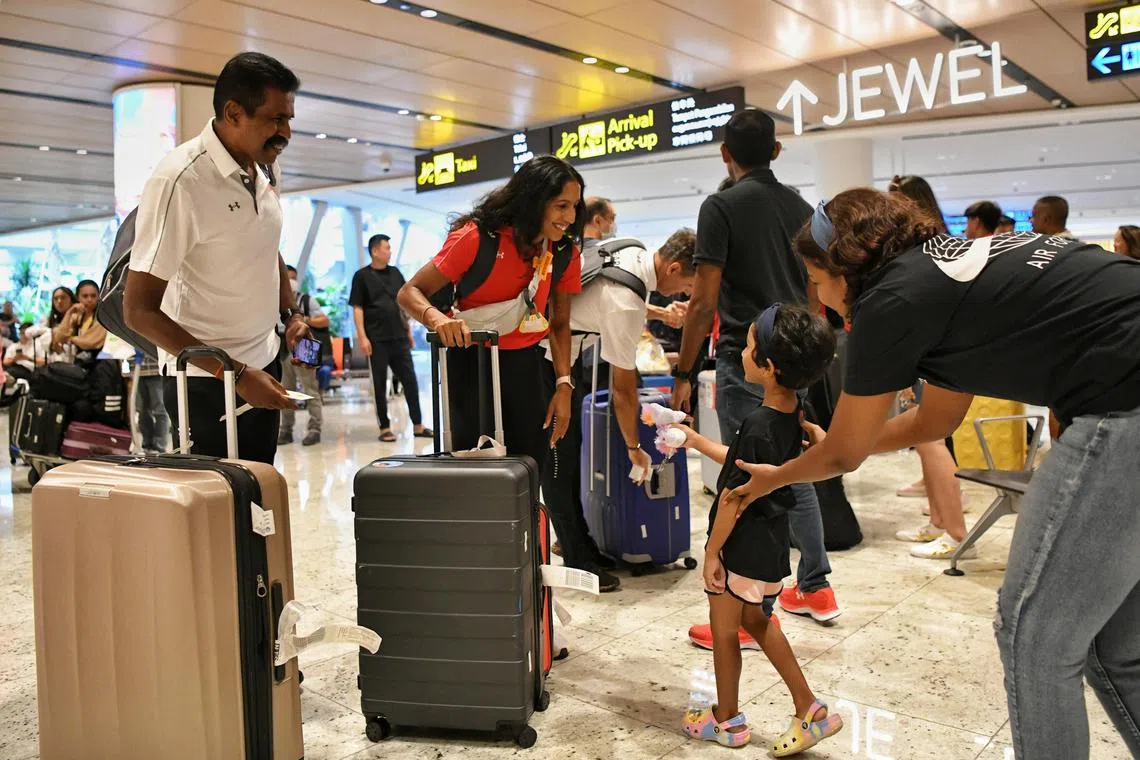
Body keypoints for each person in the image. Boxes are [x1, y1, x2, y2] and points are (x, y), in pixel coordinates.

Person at [731, 187, 1140, 760]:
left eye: (817, 279)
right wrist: (844, 444)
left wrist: (776, 476)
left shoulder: (890, 299)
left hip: (1122, 404)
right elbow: (935, 419)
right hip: (1122, 397)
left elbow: (846, 452)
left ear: (845, 265)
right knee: (1114, 649)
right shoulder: (945, 271)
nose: (818, 299)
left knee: (1035, 636)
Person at [671, 108, 840, 633]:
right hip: (792, 355)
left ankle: (748, 612)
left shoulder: (720, 206)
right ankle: (814, 585)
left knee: (746, 478)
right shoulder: (801, 208)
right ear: (776, 150)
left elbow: (703, 301)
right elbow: (816, 294)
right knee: (791, 469)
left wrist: (683, 369)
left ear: (725, 154)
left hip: (745, 355)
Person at [123, 52, 307, 465]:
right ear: (233, 112)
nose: (286, 133)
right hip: (205, 383)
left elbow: (266, 245)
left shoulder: (262, 170)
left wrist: (290, 313)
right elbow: (138, 310)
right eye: (275, 119)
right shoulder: (180, 180)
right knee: (214, 512)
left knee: (258, 497)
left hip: (263, 367)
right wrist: (235, 375)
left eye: (289, 119)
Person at [678, 304, 842, 755]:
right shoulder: (791, 414)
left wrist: (712, 553)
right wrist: (696, 441)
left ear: (768, 368)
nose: (742, 353)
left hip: (741, 548)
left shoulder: (756, 423)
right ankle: (810, 708)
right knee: (757, 620)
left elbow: (734, 495)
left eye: (749, 347)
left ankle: (727, 721)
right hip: (770, 548)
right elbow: (742, 461)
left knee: (725, 630)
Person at [397, 155, 583, 470]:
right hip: (471, 363)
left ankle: (527, 522)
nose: (570, 216)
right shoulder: (477, 237)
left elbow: (560, 323)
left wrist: (564, 384)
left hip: (529, 367)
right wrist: (438, 319)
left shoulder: (565, 253)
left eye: (574, 206)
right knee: (473, 471)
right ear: (535, 200)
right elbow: (409, 292)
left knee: (528, 471)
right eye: (561, 205)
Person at [543, 228, 698, 593]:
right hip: (543, 358)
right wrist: (634, 447)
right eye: (688, 285)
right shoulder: (627, 301)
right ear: (674, 268)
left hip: (558, 353)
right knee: (558, 459)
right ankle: (576, 555)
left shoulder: (632, 249)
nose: (686, 293)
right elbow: (623, 390)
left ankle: (581, 546)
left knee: (565, 456)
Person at [887, 176, 968, 560]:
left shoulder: (923, 248)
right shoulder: (938, 245)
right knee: (927, 438)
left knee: (931, 438)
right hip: (936, 350)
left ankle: (954, 531)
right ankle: (940, 522)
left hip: (936, 352)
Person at [349, 234, 431, 442]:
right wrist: (363, 337)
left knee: (410, 380)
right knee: (379, 384)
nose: (390, 251)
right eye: (386, 247)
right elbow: (357, 307)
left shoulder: (395, 273)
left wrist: (409, 332)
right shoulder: (361, 276)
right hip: (376, 339)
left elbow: (404, 303)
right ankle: (384, 427)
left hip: (399, 337)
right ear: (375, 251)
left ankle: (418, 425)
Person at [279, 265, 326, 447]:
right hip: (282, 347)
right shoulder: (275, 301)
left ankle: (315, 428)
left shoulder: (307, 301)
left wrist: (304, 320)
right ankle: (286, 429)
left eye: (291, 278)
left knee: (310, 388)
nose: (289, 282)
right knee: (285, 390)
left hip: (304, 345)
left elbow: (324, 320)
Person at [52, 279, 108, 364]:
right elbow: (59, 337)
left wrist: (70, 338)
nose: (89, 300)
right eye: (85, 296)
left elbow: (90, 342)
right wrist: (69, 312)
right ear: (78, 297)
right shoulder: (77, 317)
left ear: (99, 296)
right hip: (81, 364)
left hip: (99, 365)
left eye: (93, 296)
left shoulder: (102, 317)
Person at [135, 349, 170, 455]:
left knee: (160, 409)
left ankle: (159, 446)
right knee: (142, 410)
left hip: (156, 369)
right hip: (138, 369)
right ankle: (146, 443)